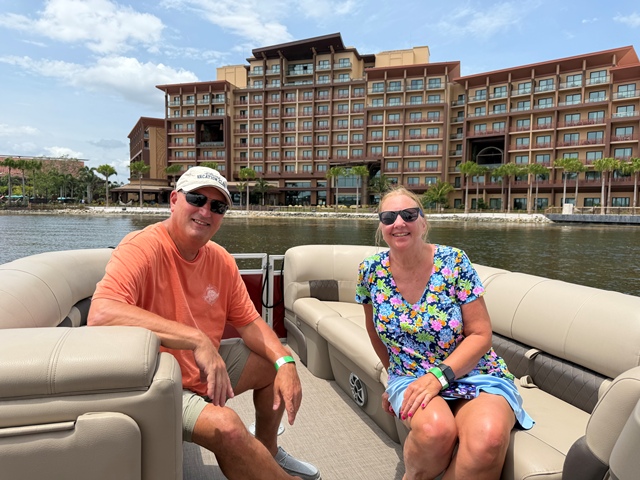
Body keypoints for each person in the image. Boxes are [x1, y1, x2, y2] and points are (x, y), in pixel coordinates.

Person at [88, 166, 320, 480]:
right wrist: (196, 339)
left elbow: (250, 322)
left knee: (271, 362)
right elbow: (101, 313)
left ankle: (268, 452)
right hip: (159, 382)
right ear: (174, 200)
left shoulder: (221, 260)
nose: (205, 211)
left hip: (204, 371)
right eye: (197, 199)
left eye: (217, 206)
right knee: (229, 427)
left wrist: (286, 362)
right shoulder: (142, 247)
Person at [355, 187, 533, 480]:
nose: (398, 223)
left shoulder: (454, 261)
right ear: (381, 227)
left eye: (408, 214)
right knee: (434, 431)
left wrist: (438, 377)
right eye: (388, 217)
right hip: (411, 375)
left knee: (488, 440)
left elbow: (480, 334)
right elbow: (374, 329)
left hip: (473, 371)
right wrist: (394, 376)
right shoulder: (370, 270)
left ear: (423, 222)